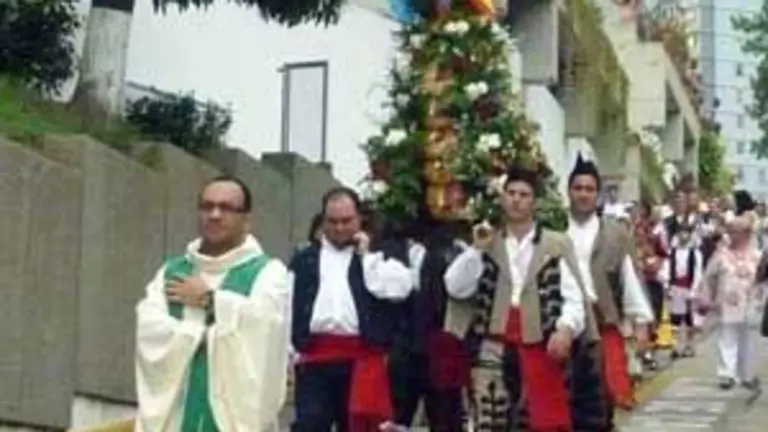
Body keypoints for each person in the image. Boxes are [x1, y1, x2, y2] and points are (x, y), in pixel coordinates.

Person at [134, 176, 290, 432]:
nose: (215, 215)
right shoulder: (171, 272)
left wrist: (210, 300)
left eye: (227, 208)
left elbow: (266, 331)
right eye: (207, 206)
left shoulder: (268, 272)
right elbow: (149, 329)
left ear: (247, 221)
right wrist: (204, 335)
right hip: (175, 418)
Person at [442, 164, 590, 431]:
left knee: (540, 422)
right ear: (502, 197)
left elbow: (573, 297)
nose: (516, 200)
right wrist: (476, 249)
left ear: (534, 201)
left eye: (524, 194)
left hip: (540, 345)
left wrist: (566, 328)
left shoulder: (555, 244)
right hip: (493, 346)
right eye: (511, 193)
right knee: (490, 420)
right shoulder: (487, 240)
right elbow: (455, 287)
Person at [289, 187, 415, 431]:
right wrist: (288, 356)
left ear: (359, 219)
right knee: (309, 425)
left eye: (346, 221)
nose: (339, 228)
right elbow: (288, 308)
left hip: (361, 359)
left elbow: (401, 289)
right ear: (322, 221)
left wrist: (366, 257)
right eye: (332, 221)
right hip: (315, 358)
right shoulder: (304, 259)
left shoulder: (379, 256)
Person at [565, 155, 654, 427]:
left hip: (602, 327)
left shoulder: (615, 234)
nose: (583, 194)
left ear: (598, 194)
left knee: (601, 404)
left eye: (589, 189)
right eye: (578, 188)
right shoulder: (552, 229)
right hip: (560, 329)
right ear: (569, 191)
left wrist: (640, 324)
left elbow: (630, 279)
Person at [695, 216, 763, 390]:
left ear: (747, 233)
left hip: (752, 305)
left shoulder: (758, 255)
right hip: (727, 305)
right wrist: (705, 297)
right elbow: (708, 277)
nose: (732, 235)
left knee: (749, 341)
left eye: (736, 231)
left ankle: (747, 375)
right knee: (727, 338)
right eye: (730, 231)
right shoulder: (720, 255)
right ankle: (726, 374)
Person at [660, 223, 703, 358]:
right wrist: (667, 285)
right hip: (676, 287)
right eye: (681, 233)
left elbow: (697, 272)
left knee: (690, 318)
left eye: (686, 233)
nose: (683, 235)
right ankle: (676, 346)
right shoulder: (673, 252)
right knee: (676, 318)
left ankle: (690, 345)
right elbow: (668, 269)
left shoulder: (695, 253)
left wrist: (694, 289)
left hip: (689, 287)